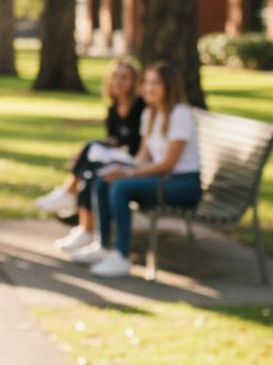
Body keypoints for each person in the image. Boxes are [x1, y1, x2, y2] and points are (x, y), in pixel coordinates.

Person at [72, 61, 203, 278]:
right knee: (104, 180)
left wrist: (129, 174)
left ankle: (122, 256)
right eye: (147, 82)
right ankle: (103, 247)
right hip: (163, 180)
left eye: (156, 84)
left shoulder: (180, 115)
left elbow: (168, 164)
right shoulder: (150, 114)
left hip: (183, 184)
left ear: (170, 87)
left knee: (120, 188)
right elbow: (143, 156)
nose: (149, 88)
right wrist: (119, 167)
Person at [38, 59, 144, 253]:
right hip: (119, 156)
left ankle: (69, 196)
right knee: (89, 166)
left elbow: (137, 146)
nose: (118, 82)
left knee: (92, 163)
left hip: (134, 161)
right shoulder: (114, 108)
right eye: (115, 76)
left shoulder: (140, 108)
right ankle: (83, 228)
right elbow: (114, 140)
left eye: (124, 78)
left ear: (134, 82)